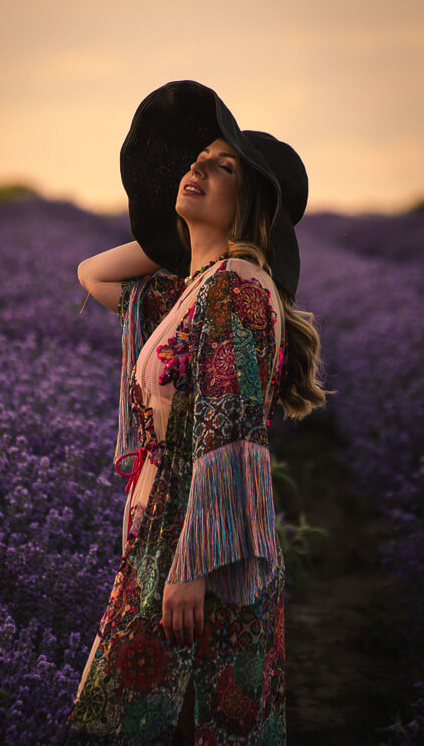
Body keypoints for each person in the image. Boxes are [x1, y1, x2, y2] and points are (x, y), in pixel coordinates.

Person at [65, 80, 332, 745]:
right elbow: (93, 274)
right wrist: (177, 235)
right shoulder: (198, 290)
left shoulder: (237, 291)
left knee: (149, 721)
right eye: (197, 159)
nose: (197, 168)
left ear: (252, 205)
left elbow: (232, 439)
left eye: (224, 166)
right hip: (165, 535)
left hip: (195, 549)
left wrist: (189, 572)